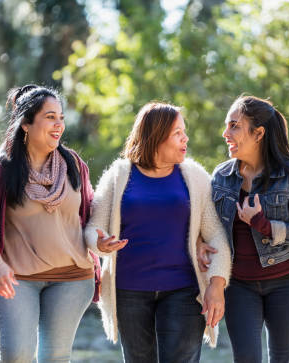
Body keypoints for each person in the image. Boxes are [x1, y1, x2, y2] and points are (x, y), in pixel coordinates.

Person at [84, 102, 231, 363]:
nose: (185, 138)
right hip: (129, 292)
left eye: (184, 132)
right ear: (156, 135)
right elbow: (93, 227)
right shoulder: (119, 175)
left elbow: (216, 236)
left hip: (184, 291)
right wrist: (99, 243)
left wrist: (216, 285)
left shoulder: (194, 177)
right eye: (177, 132)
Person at [0, 84, 99, 362]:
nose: (59, 125)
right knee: (16, 354)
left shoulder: (74, 165)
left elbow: (91, 217)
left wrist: (100, 239)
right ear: (26, 124)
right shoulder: (2, 170)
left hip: (72, 278)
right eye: (50, 117)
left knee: (55, 356)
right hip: (16, 278)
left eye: (61, 118)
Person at [197, 95, 289, 363]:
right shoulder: (221, 176)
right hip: (240, 285)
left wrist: (263, 225)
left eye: (234, 126)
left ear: (259, 133)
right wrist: (198, 242)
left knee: (283, 358)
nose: (225, 133)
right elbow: (210, 226)